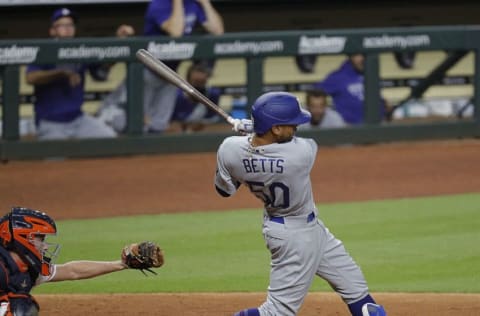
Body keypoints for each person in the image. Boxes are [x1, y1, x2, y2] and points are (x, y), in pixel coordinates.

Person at [214, 92, 386, 316]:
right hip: (294, 238)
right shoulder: (301, 154)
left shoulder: (229, 149)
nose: (296, 127)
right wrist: (250, 128)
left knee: (360, 296)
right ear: (275, 128)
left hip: (310, 231)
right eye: (291, 123)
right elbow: (290, 144)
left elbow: (224, 190)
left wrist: (249, 137)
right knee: (276, 312)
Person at [0, 206, 163, 316]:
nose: (44, 246)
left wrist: (121, 264)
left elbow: (72, 271)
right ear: (22, 238)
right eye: (40, 239)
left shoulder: (28, 270)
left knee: (22, 307)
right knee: (19, 307)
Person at [25, 8, 134, 140]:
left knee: (109, 140)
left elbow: (101, 70)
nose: (67, 28)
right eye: (62, 25)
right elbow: (31, 78)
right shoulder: (44, 50)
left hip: (78, 119)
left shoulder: (80, 49)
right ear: (52, 30)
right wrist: (60, 74)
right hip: (51, 122)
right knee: (55, 159)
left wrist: (120, 41)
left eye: (70, 25)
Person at [142, 0, 224, 133]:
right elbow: (176, 32)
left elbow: (218, 31)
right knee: (137, 123)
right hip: (147, 72)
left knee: (159, 126)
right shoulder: (158, 4)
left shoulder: (192, 4)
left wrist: (205, 3)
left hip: (169, 74)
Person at [315, 54, 389, 125]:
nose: (362, 59)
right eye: (357, 55)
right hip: (350, 130)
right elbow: (315, 92)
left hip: (377, 126)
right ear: (350, 57)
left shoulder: (371, 74)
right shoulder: (338, 76)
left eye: (363, 55)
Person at [169, 62, 221, 132]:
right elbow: (171, 125)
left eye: (202, 82)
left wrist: (201, 125)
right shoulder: (177, 96)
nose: (199, 86)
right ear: (188, 81)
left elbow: (214, 122)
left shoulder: (212, 95)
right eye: (196, 82)